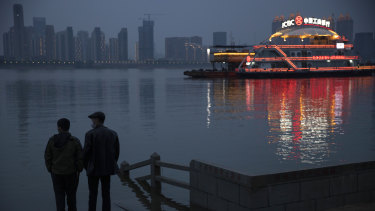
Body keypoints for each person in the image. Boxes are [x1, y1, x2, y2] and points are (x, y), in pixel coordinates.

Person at [83, 111, 120, 211]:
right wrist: (111, 163)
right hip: (107, 168)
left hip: (93, 169)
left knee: (92, 194)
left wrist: (86, 166)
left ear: (97, 120)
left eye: (92, 119)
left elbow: (85, 153)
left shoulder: (90, 134)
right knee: (106, 193)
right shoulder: (113, 133)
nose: (91, 121)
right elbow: (116, 153)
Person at [45, 118, 83, 211]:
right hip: (71, 173)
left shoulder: (51, 141)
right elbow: (80, 158)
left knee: (59, 198)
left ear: (59, 128)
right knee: (72, 198)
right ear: (68, 127)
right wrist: (79, 169)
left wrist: (50, 169)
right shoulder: (74, 141)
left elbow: (47, 157)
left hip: (56, 174)